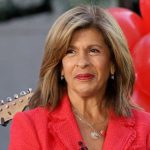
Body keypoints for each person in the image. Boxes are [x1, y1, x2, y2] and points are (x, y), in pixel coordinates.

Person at [9, 5, 150, 150]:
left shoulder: (146, 128)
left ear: (113, 63)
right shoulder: (30, 126)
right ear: (60, 66)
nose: (82, 62)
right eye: (71, 51)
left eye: (94, 50)